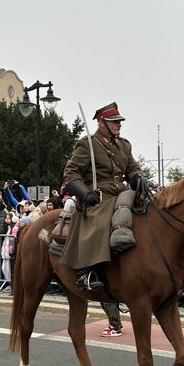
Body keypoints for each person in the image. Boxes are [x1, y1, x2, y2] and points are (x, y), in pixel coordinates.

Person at [61, 102, 145, 291]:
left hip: (122, 192)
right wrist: (84, 193)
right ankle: (86, 271)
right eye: (114, 122)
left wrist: (138, 178)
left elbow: (132, 168)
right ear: (101, 122)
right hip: (99, 195)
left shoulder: (124, 145)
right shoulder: (87, 144)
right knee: (101, 220)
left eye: (119, 121)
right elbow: (71, 173)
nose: (119, 125)